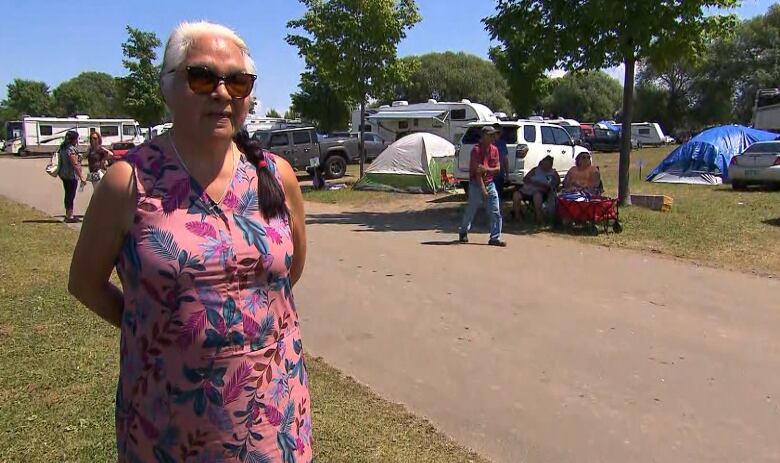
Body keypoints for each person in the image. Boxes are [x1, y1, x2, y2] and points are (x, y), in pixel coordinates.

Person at [68, 21, 312, 462]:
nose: (221, 93)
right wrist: (156, 325)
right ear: (168, 88)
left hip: (274, 414)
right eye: (202, 77)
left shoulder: (276, 175)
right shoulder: (130, 181)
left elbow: (289, 271)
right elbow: (84, 282)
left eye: (237, 81)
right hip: (167, 420)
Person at [459, 126, 506, 246]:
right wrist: (483, 189)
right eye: (490, 135)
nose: (493, 137)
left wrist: (487, 169)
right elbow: (477, 172)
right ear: (484, 136)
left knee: (495, 211)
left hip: (490, 183)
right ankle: (463, 232)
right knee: (471, 211)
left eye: (494, 135)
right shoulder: (476, 150)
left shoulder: (494, 149)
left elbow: (498, 168)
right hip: (476, 184)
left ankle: (495, 238)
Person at [513, 155, 560, 225]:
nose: (545, 165)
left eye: (547, 164)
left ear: (551, 165)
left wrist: (548, 186)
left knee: (537, 196)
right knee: (516, 195)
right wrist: (532, 182)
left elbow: (556, 184)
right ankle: (518, 218)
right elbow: (525, 179)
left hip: (541, 191)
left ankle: (539, 219)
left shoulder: (553, 173)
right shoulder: (535, 170)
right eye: (544, 163)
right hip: (527, 189)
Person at [57, 130, 86, 223]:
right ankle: (69, 216)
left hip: (63, 174)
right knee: (71, 195)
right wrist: (81, 176)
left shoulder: (62, 148)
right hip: (71, 175)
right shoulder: (70, 149)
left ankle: (68, 214)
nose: (77, 141)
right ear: (73, 139)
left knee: (67, 194)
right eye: (77, 139)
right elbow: (74, 164)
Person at [492, 122, 508, 196]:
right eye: (497, 132)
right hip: (489, 173)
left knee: (498, 194)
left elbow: (505, 158)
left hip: (500, 173)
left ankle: (498, 207)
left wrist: (506, 173)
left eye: (499, 133)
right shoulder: (488, 143)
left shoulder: (502, 143)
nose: (498, 135)